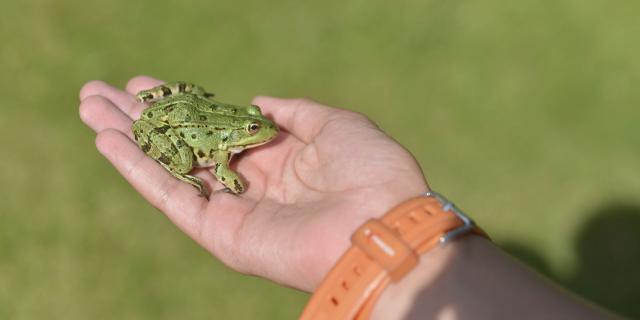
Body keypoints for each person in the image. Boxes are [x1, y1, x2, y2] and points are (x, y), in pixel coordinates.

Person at [79, 76, 613, 319]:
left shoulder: (244, 128)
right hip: (187, 133)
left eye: (256, 128)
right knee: (183, 165)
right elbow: (232, 179)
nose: (262, 133)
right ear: (239, 135)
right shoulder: (225, 147)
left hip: (177, 110)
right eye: (254, 132)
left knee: (171, 110)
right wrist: (216, 175)